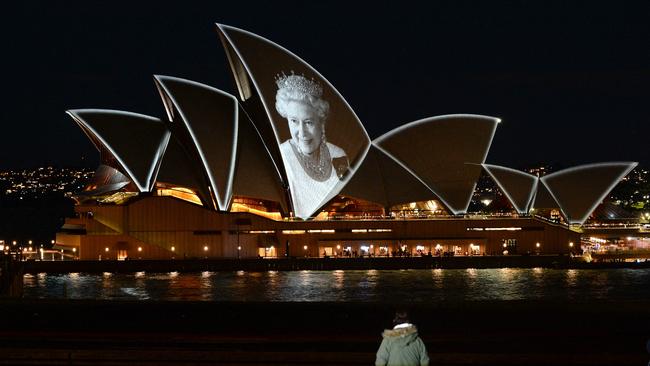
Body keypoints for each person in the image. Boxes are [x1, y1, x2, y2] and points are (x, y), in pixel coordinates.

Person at [275, 72, 349, 219]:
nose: (301, 132)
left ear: (321, 122)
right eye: (294, 121)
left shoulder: (338, 154)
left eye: (308, 122)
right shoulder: (281, 156)